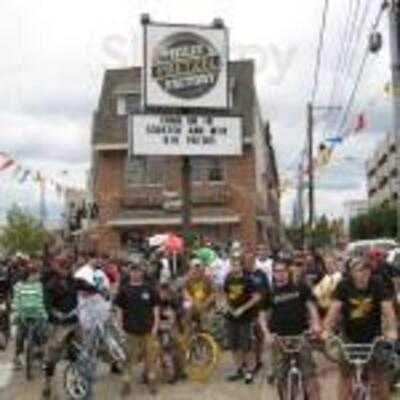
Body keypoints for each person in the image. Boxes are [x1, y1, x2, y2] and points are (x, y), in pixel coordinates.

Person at [323, 257, 398, 400]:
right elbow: (334, 310)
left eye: (366, 269)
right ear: (351, 272)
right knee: (345, 377)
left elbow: (387, 308)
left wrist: (392, 330)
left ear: (370, 272)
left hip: (373, 337)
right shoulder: (343, 285)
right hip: (349, 338)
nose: (363, 274)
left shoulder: (377, 283)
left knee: (380, 378)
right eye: (358, 270)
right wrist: (327, 329)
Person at [258, 259, 322, 400]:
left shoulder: (301, 288)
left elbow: (311, 307)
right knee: (281, 375)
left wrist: (316, 324)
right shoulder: (269, 292)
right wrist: (266, 334)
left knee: (309, 375)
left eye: (282, 271)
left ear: (289, 272)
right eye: (276, 271)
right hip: (279, 338)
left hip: (301, 335)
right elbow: (262, 315)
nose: (279, 274)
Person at [42, 256, 99, 399]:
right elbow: (47, 306)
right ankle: (47, 383)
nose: (66, 270)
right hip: (59, 325)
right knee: (52, 357)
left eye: (68, 267)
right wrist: (55, 315)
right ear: (57, 268)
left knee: (80, 352)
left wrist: (98, 290)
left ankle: (78, 381)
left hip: (74, 322)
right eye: (63, 267)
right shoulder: (50, 285)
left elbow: (87, 286)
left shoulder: (74, 281)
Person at [114, 262, 160, 397]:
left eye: (138, 271)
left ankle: (151, 382)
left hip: (148, 330)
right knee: (128, 359)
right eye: (133, 271)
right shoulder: (124, 290)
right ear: (130, 273)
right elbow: (119, 310)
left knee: (150, 358)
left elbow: (156, 309)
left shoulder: (150, 289)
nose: (136, 273)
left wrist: (155, 326)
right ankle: (126, 384)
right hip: (130, 331)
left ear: (142, 272)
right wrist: (119, 327)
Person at [224, 255, 262, 384]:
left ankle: (250, 371)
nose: (235, 267)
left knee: (247, 346)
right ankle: (239, 369)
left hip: (245, 317)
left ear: (241, 265)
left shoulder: (248, 279)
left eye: (237, 264)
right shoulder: (228, 279)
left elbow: (256, 297)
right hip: (231, 317)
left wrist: (243, 309)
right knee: (234, 345)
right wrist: (228, 308)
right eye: (233, 264)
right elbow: (225, 295)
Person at [12, 261, 48, 370]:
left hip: (38, 314)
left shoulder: (39, 286)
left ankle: (42, 359)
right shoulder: (18, 286)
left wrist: (43, 313)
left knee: (42, 336)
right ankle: (17, 358)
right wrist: (17, 312)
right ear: (30, 275)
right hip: (22, 315)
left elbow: (41, 300)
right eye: (36, 274)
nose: (38, 276)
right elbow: (16, 300)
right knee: (19, 337)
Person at [183, 259, 216, 332]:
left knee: (210, 318)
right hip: (193, 304)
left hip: (205, 305)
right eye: (194, 268)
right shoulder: (188, 280)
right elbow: (185, 293)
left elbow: (213, 294)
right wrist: (193, 301)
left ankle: (205, 330)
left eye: (198, 268)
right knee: (186, 305)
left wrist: (206, 303)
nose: (196, 270)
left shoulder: (207, 279)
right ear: (191, 269)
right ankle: (188, 328)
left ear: (202, 269)